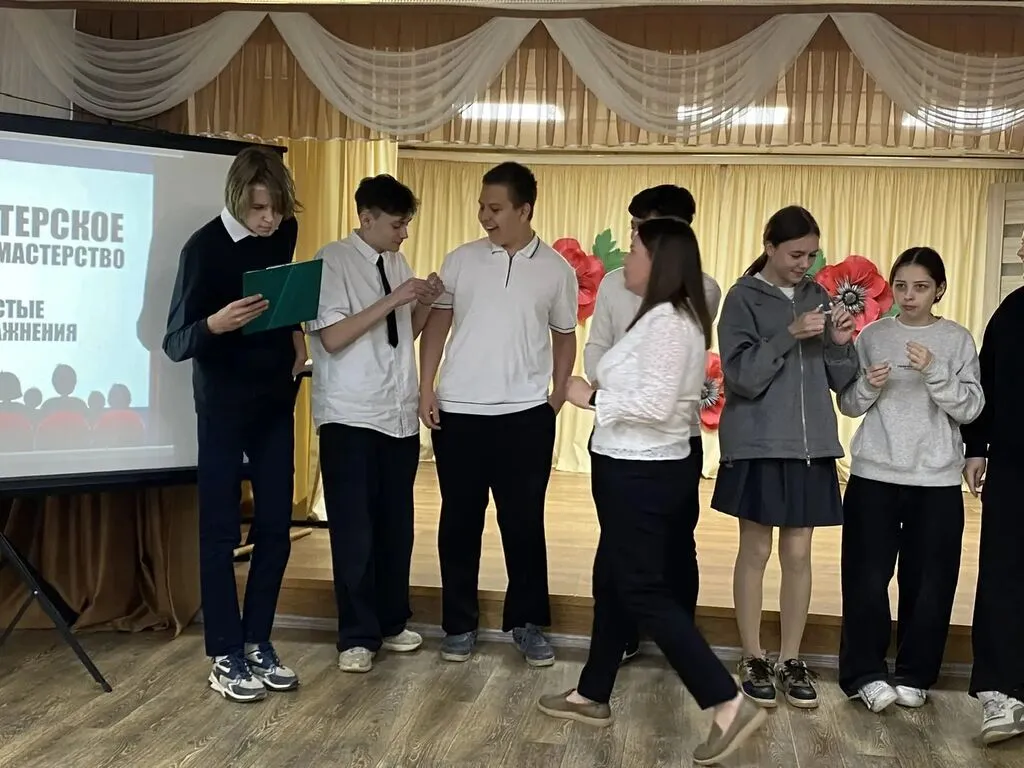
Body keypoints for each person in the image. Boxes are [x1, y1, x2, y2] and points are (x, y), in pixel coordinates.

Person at [536, 218, 766, 766]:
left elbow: (658, 405)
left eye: (635, 250)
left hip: (641, 472)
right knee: (616, 579)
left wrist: (590, 397)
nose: (626, 259)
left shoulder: (669, 322)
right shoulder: (663, 315)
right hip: (633, 467)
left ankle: (726, 701)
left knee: (640, 587)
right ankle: (592, 693)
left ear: (659, 261)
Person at [418, 161, 578, 666]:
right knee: (459, 523)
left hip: (525, 416)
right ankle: (458, 624)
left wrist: (555, 397)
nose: (485, 216)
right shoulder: (461, 260)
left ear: (524, 209)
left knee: (523, 523)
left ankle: (527, 623)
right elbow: (437, 326)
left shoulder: (556, 269)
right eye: (481, 207)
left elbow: (565, 336)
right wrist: (425, 387)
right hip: (458, 413)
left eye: (495, 208)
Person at [163, 145, 307, 703]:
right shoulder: (202, 249)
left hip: (274, 400)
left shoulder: (285, 232)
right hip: (222, 404)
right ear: (236, 199)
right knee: (220, 530)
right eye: (259, 209)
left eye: (276, 208)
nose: (270, 220)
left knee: (274, 527)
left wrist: (296, 338)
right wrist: (215, 324)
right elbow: (176, 341)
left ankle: (258, 641)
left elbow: (284, 300)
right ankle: (225, 652)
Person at [713, 205, 858, 710]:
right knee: (755, 551)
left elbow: (842, 380)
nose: (805, 264)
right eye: (796, 254)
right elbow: (741, 378)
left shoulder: (820, 297)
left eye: (811, 255)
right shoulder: (741, 298)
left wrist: (840, 342)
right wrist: (787, 334)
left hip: (811, 446)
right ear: (769, 246)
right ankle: (752, 656)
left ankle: (791, 659)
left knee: (798, 555)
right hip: (757, 444)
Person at [307, 175, 443, 674]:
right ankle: (356, 635)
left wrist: (422, 302)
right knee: (354, 531)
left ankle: (391, 620)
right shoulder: (332, 260)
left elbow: (403, 334)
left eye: (406, 225)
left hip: (397, 414)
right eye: (397, 224)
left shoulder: (397, 262)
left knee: (395, 528)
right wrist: (394, 298)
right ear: (366, 218)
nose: (403, 233)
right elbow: (332, 337)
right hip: (350, 415)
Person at [837, 247, 982, 713]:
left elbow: (971, 408)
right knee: (865, 578)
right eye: (901, 286)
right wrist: (869, 385)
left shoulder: (956, 340)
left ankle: (916, 675)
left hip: (936, 480)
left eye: (920, 287)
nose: (909, 295)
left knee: (930, 582)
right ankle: (864, 674)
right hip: (874, 474)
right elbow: (849, 404)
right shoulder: (873, 336)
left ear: (939, 289)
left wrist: (935, 371)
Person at [585, 184, 721, 666]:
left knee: (675, 543)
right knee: (616, 546)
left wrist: (597, 394)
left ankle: (680, 642)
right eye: (633, 230)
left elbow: (659, 391)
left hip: (667, 443)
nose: (631, 242)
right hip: (617, 439)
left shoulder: (695, 295)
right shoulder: (614, 284)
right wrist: (604, 384)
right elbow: (597, 346)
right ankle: (614, 645)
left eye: (641, 233)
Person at [961, 232, 1024, 744]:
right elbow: (987, 383)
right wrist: (976, 447)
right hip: (1014, 467)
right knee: (1003, 573)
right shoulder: (1013, 311)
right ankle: (1000, 693)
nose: (1021, 252)